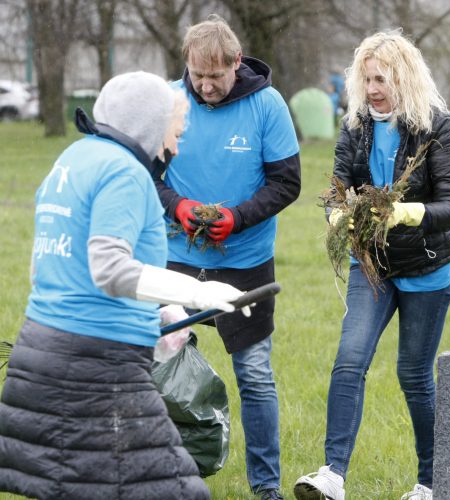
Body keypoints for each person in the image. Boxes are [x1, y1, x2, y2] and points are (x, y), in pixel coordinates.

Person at [0, 71, 251, 500]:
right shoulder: (125, 173)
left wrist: (152, 308)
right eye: (176, 129)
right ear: (150, 123)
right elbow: (110, 270)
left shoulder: (72, 161)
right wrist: (194, 293)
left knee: (78, 486)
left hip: (38, 356)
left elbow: (51, 268)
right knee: (179, 491)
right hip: (100, 369)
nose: (175, 143)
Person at [294, 30, 450, 500]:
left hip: (429, 268)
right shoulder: (355, 127)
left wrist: (403, 213)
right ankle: (332, 476)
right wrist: (337, 216)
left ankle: (431, 481)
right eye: (367, 78)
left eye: (382, 79)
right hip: (371, 265)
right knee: (349, 361)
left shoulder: (438, 128)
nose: (372, 88)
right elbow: (337, 187)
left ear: (404, 78)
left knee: (413, 374)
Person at [153, 14, 301, 500]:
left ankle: (265, 486)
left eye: (215, 75)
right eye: (197, 74)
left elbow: (287, 182)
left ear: (236, 63)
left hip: (244, 261)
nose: (205, 85)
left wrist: (236, 218)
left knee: (255, 374)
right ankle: (159, 475)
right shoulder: (171, 101)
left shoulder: (267, 104)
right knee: (156, 365)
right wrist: (179, 206)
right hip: (176, 256)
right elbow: (145, 176)